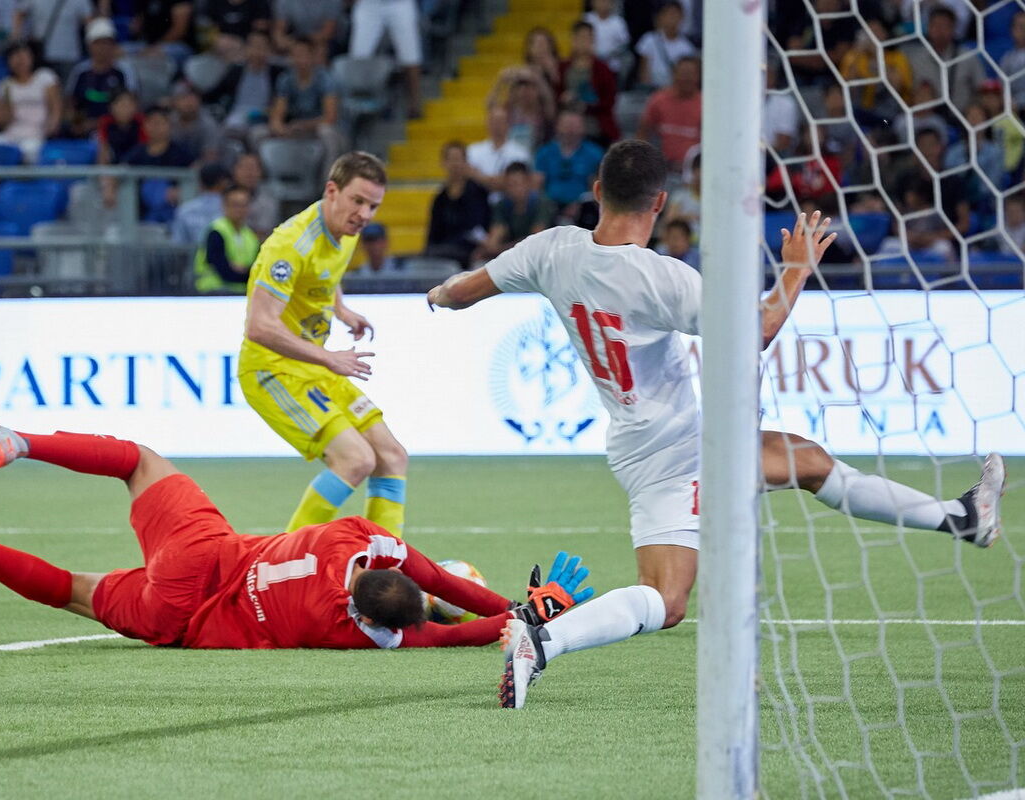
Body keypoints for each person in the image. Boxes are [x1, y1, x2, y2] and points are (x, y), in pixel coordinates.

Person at [426, 139, 1007, 708]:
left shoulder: (551, 248)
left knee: (807, 462)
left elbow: (461, 292)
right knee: (667, 598)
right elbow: (757, 330)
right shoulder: (661, 277)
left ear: (597, 190)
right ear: (660, 203)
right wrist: (796, 270)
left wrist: (438, 294)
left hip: (645, 442)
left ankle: (962, 518)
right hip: (680, 450)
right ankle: (545, 642)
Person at [0, 394, 593, 651]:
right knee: (70, 589)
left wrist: (512, 604)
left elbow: (444, 586)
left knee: (137, 460)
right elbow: (446, 633)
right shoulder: (356, 632)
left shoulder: (364, 540)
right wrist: (528, 621)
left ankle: (18, 442)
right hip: (180, 618)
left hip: (205, 552)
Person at [238, 152, 410, 536]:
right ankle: (283, 561)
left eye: (373, 206)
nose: (364, 215)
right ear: (332, 191)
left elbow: (323, 275)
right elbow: (259, 327)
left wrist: (342, 310)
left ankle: (385, 564)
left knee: (392, 457)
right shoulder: (290, 245)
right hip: (272, 371)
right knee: (355, 460)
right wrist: (329, 358)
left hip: (314, 366)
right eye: (358, 201)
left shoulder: (346, 230)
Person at [266, 37, 344, 175]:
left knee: (327, 133)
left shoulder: (326, 79)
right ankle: (269, 180)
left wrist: (303, 125)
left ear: (313, 56)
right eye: (295, 55)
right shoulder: (285, 79)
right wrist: (279, 127)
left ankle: (328, 181)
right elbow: (277, 114)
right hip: (295, 128)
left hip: (319, 128)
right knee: (258, 134)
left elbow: (330, 117)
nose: (299, 60)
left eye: (303, 55)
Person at [0, 42, 61, 164]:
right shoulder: (5, 84)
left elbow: (56, 109)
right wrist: (8, 100)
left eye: (23, 55)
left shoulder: (45, 77)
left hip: (37, 134)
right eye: (15, 56)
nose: (19, 60)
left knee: (29, 150)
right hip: (12, 134)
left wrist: (50, 129)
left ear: (32, 57)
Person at [902, 5, 984, 116]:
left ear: (953, 29)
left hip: (962, 119)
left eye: (945, 26)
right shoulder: (915, 58)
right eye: (936, 25)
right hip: (925, 119)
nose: (940, 31)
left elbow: (981, 89)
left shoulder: (967, 57)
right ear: (928, 27)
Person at [348, 0, 422, 118]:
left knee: (410, 57)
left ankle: (414, 104)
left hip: (399, 4)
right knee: (358, 56)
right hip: (369, 5)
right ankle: (358, 106)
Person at [66, 18, 138, 138]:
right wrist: (76, 122)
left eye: (107, 43)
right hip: (83, 128)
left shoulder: (124, 71)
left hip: (115, 128)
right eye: (98, 43)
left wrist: (100, 124)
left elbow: (132, 103)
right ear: (89, 45)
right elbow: (70, 102)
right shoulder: (80, 71)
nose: (103, 47)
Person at [425, 140, 490, 267]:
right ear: (444, 163)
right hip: (443, 251)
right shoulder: (439, 199)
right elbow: (433, 234)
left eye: (458, 159)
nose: (455, 164)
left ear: (465, 162)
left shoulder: (478, 192)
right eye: (451, 159)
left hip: (470, 250)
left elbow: (481, 227)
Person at [475, 161, 553, 262]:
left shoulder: (542, 204)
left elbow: (535, 240)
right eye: (510, 185)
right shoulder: (502, 205)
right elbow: (496, 236)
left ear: (529, 183)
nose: (515, 189)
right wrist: (489, 247)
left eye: (519, 184)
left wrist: (501, 249)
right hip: (513, 257)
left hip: (541, 257)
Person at [534, 110, 604, 220]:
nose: (570, 130)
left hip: (582, 207)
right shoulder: (544, 152)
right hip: (550, 206)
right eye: (567, 125)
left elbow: (596, 186)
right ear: (557, 126)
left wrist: (580, 204)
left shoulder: (594, 154)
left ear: (583, 128)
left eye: (575, 126)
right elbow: (537, 186)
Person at [558, 21, 619, 143]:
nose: (585, 42)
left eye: (589, 38)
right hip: (567, 124)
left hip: (595, 125)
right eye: (581, 37)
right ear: (573, 40)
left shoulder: (603, 69)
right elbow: (556, 93)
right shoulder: (563, 67)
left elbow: (610, 101)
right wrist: (563, 98)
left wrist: (588, 107)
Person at [637, 55, 702, 170]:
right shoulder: (659, 100)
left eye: (690, 74)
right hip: (663, 168)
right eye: (683, 73)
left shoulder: (705, 104)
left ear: (698, 76)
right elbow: (643, 133)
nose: (686, 78)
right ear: (674, 74)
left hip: (695, 170)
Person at [194, 184, 260, 292]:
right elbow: (223, 270)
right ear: (224, 205)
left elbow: (257, 270)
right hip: (213, 291)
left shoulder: (250, 236)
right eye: (235, 205)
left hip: (242, 292)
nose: (240, 209)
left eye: (244, 205)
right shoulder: (216, 231)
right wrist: (245, 272)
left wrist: (241, 270)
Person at [12, 0, 94, 80]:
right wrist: (18, 39)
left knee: (68, 87)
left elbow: (90, 24)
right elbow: (19, 13)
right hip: (41, 55)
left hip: (69, 56)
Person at [466, 105, 531, 197]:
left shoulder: (520, 153)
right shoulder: (473, 151)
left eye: (501, 121)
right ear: (487, 123)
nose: (497, 126)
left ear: (508, 124)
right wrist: (502, 181)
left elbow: (520, 184)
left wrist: (480, 177)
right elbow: (467, 178)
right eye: (494, 121)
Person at [634, 1, 697, 89]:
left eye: (675, 14)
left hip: (674, 90)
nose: (672, 18)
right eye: (668, 14)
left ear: (682, 17)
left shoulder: (687, 47)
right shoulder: (649, 40)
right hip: (652, 89)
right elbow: (643, 71)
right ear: (661, 17)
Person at [173, 161, 231, 247]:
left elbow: (178, 245)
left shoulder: (184, 210)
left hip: (192, 255)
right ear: (224, 182)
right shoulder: (232, 209)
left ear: (200, 183)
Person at [232, 151, 278, 238]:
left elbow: (263, 234)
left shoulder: (268, 200)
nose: (249, 173)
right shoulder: (222, 195)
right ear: (235, 170)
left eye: (253, 168)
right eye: (245, 167)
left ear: (260, 172)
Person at [583, 0, 630, 76]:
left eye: (605, 1)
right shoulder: (586, 19)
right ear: (593, 2)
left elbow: (624, 44)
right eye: (600, 1)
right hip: (589, 65)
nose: (603, 4)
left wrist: (609, 54)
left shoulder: (618, 22)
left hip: (612, 65)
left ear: (612, 3)